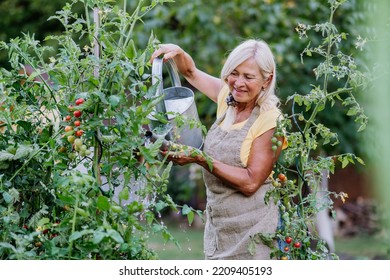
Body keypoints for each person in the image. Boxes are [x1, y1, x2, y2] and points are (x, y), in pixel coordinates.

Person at [150, 39, 287, 260]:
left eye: (249, 77)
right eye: (234, 73)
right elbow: (191, 72)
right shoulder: (228, 99)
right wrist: (178, 52)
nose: (238, 83)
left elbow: (251, 182)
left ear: (266, 79)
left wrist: (201, 159)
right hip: (219, 228)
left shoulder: (271, 119)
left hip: (255, 232)